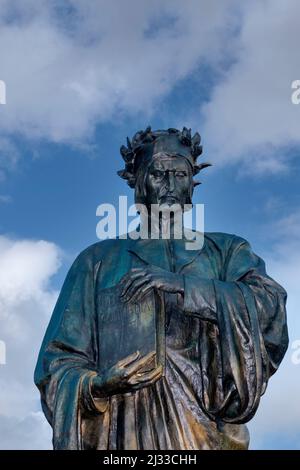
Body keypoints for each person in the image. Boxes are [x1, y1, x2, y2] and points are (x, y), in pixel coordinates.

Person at [34, 127, 288, 450]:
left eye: (180, 174)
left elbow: (270, 310)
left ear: (192, 182)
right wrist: (95, 385)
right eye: (158, 174)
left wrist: (185, 288)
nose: (170, 185)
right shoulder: (96, 263)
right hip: (123, 434)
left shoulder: (227, 252)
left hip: (205, 436)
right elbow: (56, 363)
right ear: (138, 183)